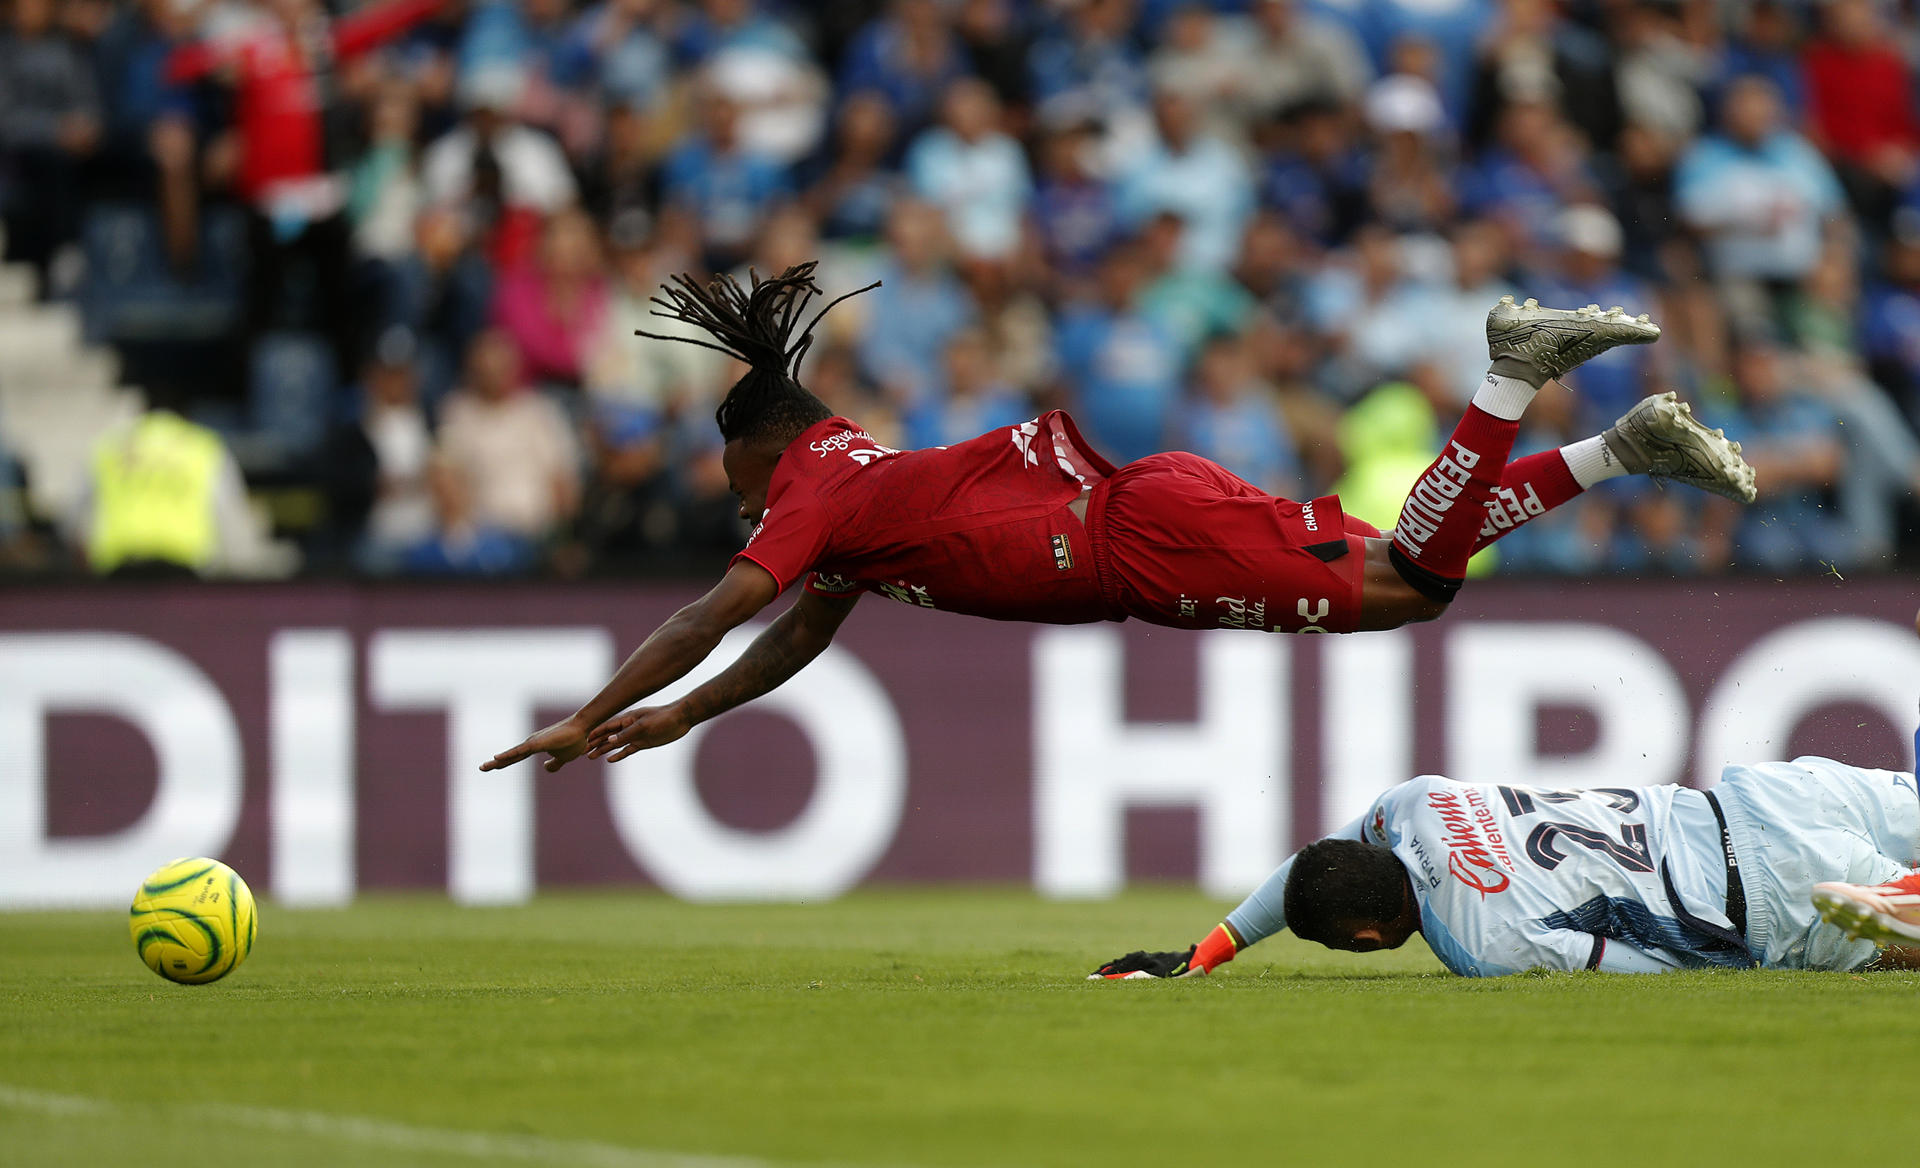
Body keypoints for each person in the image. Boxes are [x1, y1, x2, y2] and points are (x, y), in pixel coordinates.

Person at [481, 266, 1756, 775]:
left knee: (1415, 584)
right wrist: (685, 712)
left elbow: (719, 608)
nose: (742, 508)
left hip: (1141, 545)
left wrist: (590, 711)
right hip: (1150, 517)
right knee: (1406, 567)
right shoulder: (847, 488)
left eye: (735, 484)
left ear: (753, 447)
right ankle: (1619, 446)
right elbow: (798, 638)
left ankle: (1514, 373)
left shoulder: (810, 491)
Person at [1092, 704, 1920, 979]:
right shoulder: (1415, 804)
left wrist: (1765, 951)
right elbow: (1318, 858)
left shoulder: (1480, 943)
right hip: (1761, 794)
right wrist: (1207, 951)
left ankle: (1900, 908)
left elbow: (1652, 963)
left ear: (1369, 938)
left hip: (1771, 893)